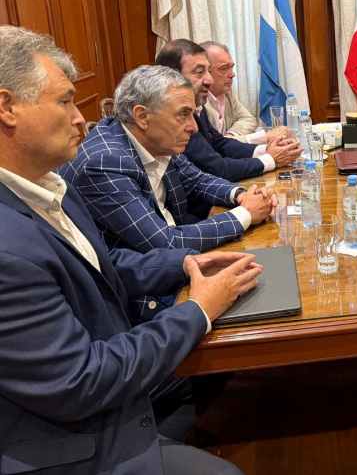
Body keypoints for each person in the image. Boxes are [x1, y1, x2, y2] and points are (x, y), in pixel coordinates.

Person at [0, 25, 258, 474]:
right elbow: (80, 381)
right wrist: (197, 310)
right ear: (7, 108)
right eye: (65, 101)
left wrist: (185, 262)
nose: (81, 119)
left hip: (106, 377)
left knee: (228, 376)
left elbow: (104, 267)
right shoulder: (8, 249)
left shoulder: (47, 183)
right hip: (69, 441)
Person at [61, 65, 273, 312]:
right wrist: (246, 214)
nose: (193, 127)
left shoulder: (156, 139)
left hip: (177, 266)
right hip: (144, 297)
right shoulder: (104, 162)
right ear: (142, 116)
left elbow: (197, 179)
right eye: (183, 114)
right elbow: (166, 242)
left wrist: (241, 195)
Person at [156, 39, 301, 181]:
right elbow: (217, 168)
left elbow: (220, 144)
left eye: (208, 71)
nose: (209, 80)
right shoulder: (176, 116)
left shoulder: (198, 105)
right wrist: (271, 159)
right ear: (172, 77)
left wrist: (266, 150)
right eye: (199, 72)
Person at [201, 40, 264, 141]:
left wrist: (231, 135)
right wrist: (228, 142)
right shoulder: (198, 101)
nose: (232, 74)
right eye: (224, 68)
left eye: (231, 67)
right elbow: (212, 145)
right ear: (205, 71)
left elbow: (249, 119)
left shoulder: (226, 92)